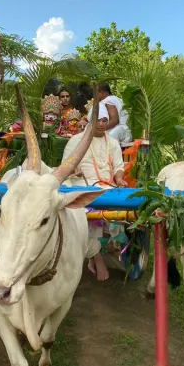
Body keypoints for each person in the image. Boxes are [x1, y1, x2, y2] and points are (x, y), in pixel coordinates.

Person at [62, 104, 128, 282]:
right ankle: (97, 258)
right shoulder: (76, 140)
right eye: (97, 120)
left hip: (108, 186)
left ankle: (98, 252)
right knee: (92, 214)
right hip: (82, 185)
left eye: (104, 120)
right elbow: (66, 165)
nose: (101, 124)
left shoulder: (113, 142)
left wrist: (119, 179)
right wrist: (73, 169)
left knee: (117, 209)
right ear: (90, 121)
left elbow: (119, 167)